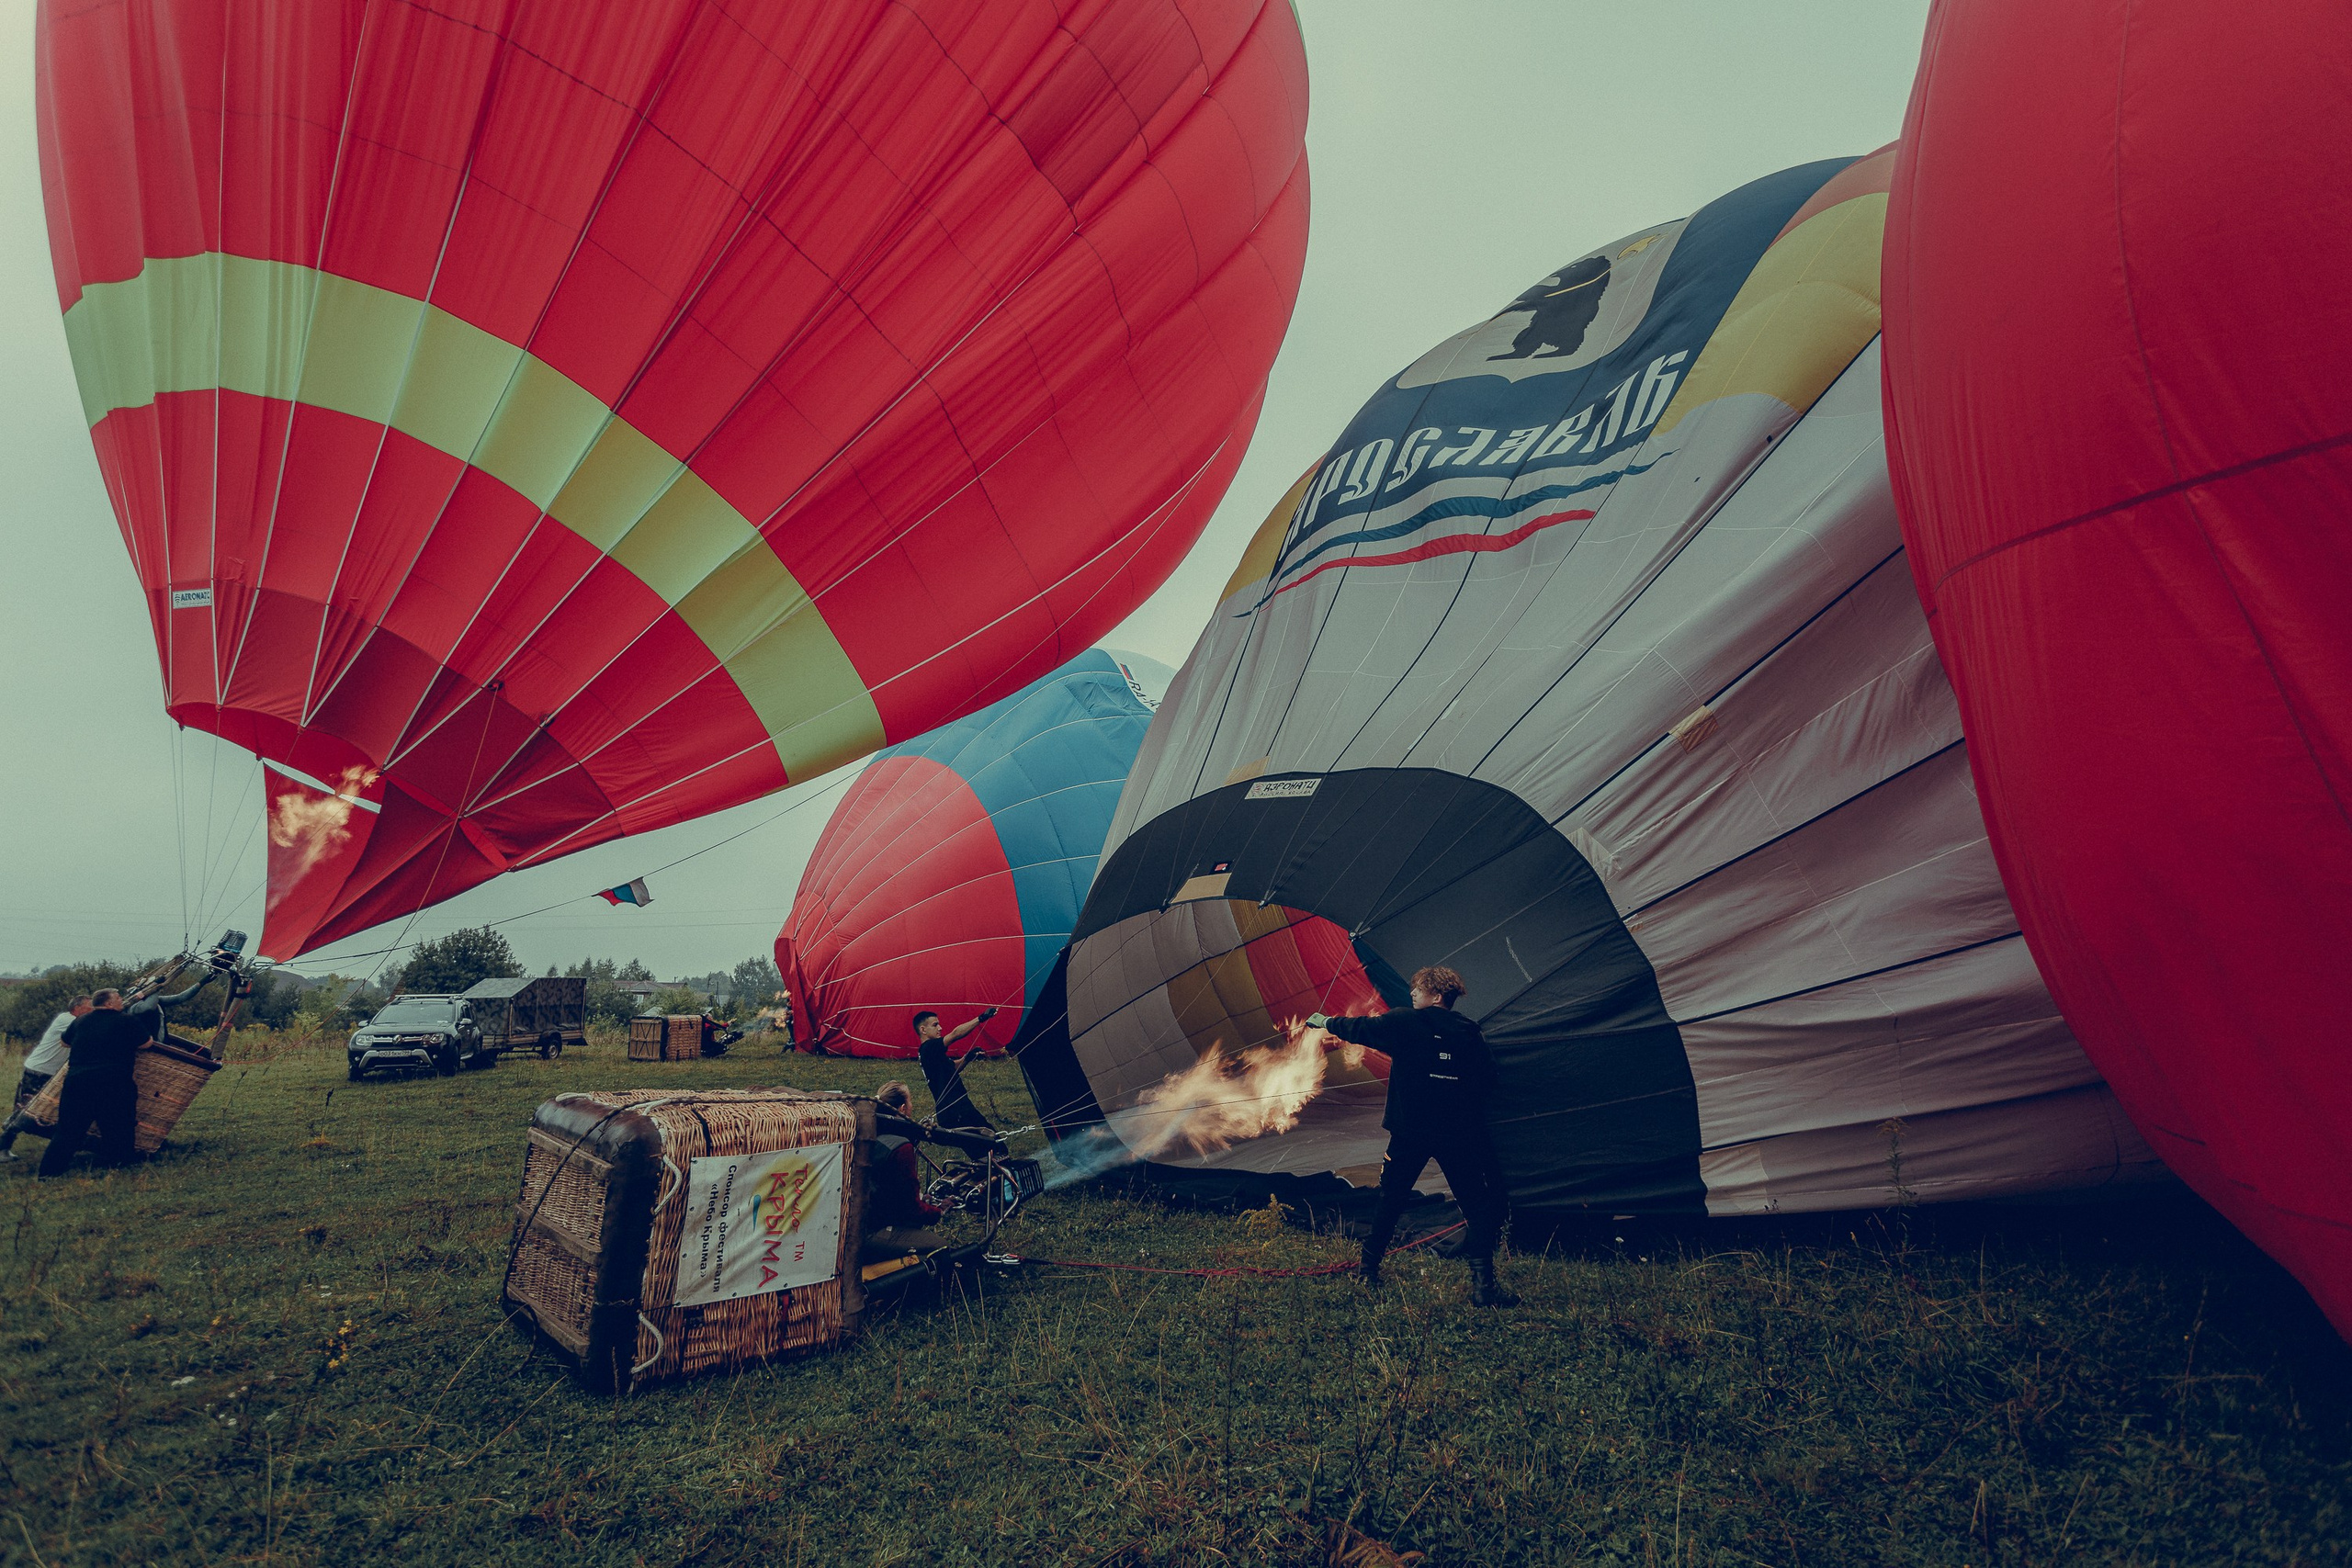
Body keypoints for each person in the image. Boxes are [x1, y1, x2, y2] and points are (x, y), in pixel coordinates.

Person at [1312, 965, 1519, 1307]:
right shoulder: (1469, 1031)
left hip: (1410, 1133)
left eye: (1418, 989)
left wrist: (1325, 1022)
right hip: (1456, 1134)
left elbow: (1359, 1028)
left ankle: (1368, 1272)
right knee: (1476, 1206)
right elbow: (1488, 1078)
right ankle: (1484, 1287)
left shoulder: (1404, 1020)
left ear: (1436, 996)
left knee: (1391, 1198)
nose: (1411, 994)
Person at [37, 988, 152, 1178]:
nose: (121, 1001)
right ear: (108, 1004)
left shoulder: (81, 1021)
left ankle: (48, 1171)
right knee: (118, 1125)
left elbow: (65, 1043)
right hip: (114, 1082)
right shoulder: (126, 1021)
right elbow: (146, 1044)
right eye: (118, 998)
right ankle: (120, 1164)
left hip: (78, 1082)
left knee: (68, 1129)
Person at [0, 995, 92, 1159]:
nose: (92, 1010)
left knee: (42, 1109)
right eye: (89, 1007)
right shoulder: (67, 1020)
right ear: (77, 1009)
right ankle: (3, 1147)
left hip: (49, 1072)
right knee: (25, 1110)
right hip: (39, 1071)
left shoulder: (76, 1020)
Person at [911, 1008, 1000, 1133]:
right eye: (935, 1025)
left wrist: (967, 1058)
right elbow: (955, 1035)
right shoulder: (928, 1047)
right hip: (956, 1110)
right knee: (992, 1141)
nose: (940, 1028)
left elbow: (952, 1068)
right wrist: (980, 1018)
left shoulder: (931, 1052)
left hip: (955, 1110)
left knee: (982, 1145)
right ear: (923, 1030)